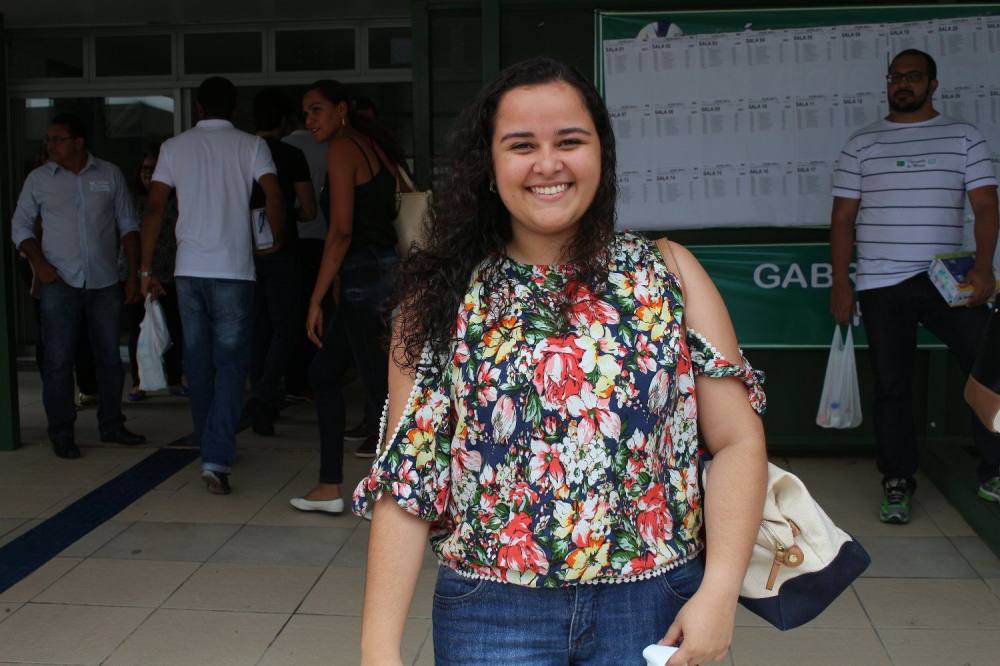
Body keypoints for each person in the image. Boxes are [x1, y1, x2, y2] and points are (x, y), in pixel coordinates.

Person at [352, 57, 767, 666]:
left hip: (653, 604)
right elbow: (407, 480)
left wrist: (721, 591)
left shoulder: (667, 272)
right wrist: (379, 648)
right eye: (522, 145)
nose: (548, 164)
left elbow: (737, 440)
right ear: (489, 166)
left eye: (569, 141)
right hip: (492, 613)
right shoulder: (441, 295)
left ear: (601, 154)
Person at [830, 48, 1000, 523]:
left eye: (913, 77)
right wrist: (841, 282)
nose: (902, 84)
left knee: (988, 367)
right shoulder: (862, 143)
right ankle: (897, 480)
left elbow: (986, 206)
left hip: (949, 280)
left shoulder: (964, 136)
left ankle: (995, 469)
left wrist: (984, 267)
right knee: (891, 384)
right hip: (881, 280)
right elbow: (843, 218)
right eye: (895, 77)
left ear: (933, 84)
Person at [141, 76, 285, 495]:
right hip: (234, 270)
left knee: (199, 364)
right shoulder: (252, 145)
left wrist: (145, 269)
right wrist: (274, 238)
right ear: (234, 108)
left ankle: (211, 445)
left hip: (189, 270)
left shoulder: (174, 147)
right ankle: (216, 455)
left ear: (199, 108)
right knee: (231, 365)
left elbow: (154, 207)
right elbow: (274, 195)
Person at [287, 80, 400, 515]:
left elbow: (340, 231)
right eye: (305, 112)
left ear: (341, 109)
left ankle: (390, 495)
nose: (309, 120)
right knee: (326, 373)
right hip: (380, 274)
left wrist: (315, 298)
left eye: (316, 110)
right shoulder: (375, 147)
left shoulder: (342, 149)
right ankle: (329, 485)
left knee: (380, 391)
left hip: (363, 279)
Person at [10, 113, 146, 459]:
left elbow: (129, 225)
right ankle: (61, 432)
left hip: (105, 281)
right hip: (59, 282)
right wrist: (40, 265)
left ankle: (112, 424)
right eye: (48, 139)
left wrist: (133, 275)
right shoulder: (39, 179)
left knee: (109, 359)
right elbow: (19, 226)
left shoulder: (109, 174)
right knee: (58, 360)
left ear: (79, 142)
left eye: (58, 139)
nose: (50, 145)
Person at [246, 89, 316, 436]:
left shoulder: (242, 153)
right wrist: (289, 216)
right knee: (285, 327)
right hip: (284, 249)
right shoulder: (291, 155)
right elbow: (309, 208)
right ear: (286, 121)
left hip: (245, 250)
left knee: (256, 327)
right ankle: (265, 395)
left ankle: (260, 395)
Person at [123, 148, 187, 402]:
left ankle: (174, 378)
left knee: (173, 328)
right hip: (137, 273)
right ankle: (138, 382)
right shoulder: (131, 201)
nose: (148, 174)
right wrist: (139, 272)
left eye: (154, 168)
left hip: (169, 272)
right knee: (137, 329)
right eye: (145, 168)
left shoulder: (176, 201)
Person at [282, 111, 328, 404]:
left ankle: (291, 379)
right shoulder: (328, 147)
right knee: (317, 313)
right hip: (321, 238)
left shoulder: (282, 148)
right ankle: (311, 377)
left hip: (288, 240)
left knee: (291, 313)